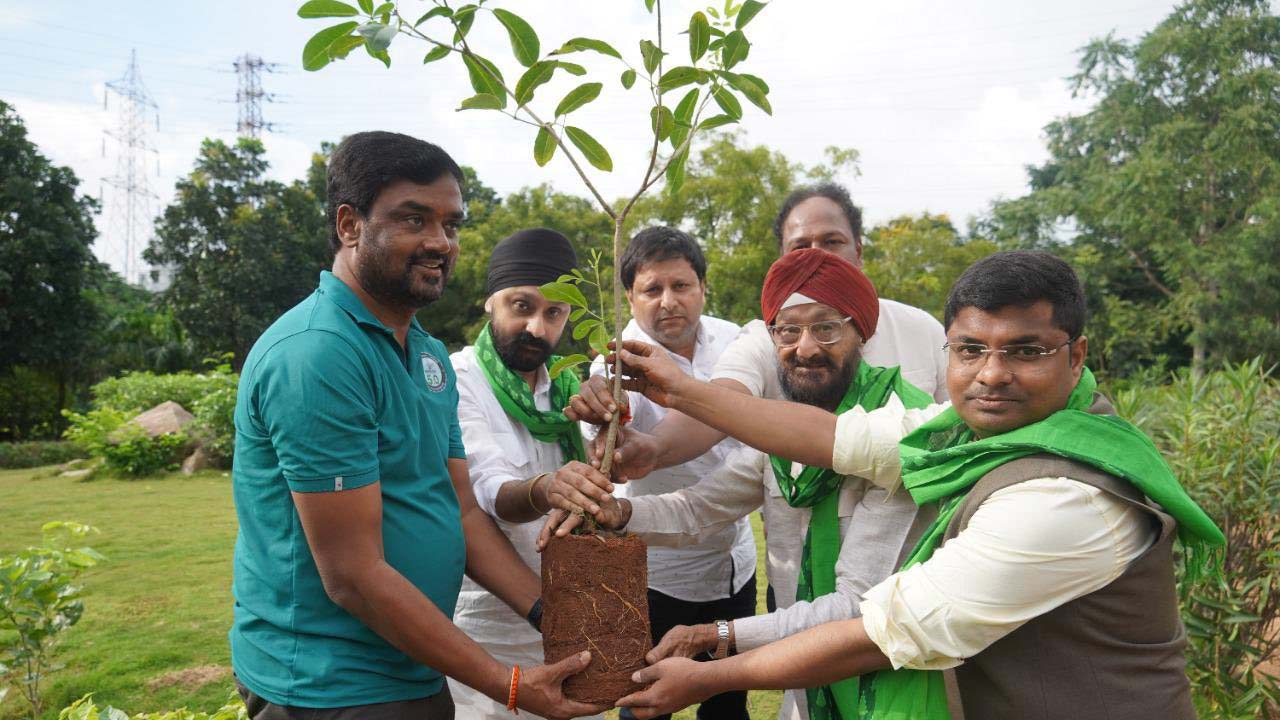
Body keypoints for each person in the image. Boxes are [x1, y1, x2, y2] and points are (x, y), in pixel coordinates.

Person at [593, 251, 1224, 720]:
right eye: (970, 350)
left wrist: (715, 663)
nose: (992, 374)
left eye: (1025, 351)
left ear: (1076, 357)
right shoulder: (953, 433)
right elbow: (827, 442)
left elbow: (881, 626)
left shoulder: (1065, 496)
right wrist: (666, 414)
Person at [229, 132, 603, 720]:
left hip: (413, 665)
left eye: (450, 225)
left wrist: (548, 613)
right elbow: (353, 575)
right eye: (414, 219)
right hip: (330, 685)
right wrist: (508, 684)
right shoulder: (318, 354)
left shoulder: (425, 354)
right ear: (349, 225)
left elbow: (461, 511)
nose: (439, 242)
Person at [550, 248, 935, 720]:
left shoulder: (900, 430)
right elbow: (701, 508)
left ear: (862, 332)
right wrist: (620, 512)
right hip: (806, 681)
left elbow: (857, 608)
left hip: (890, 685)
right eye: (788, 331)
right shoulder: (785, 427)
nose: (805, 348)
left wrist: (718, 635)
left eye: (826, 328)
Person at [584, 183, 947, 513]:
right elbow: (722, 400)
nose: (817, 257)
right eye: (800, 248)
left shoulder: (921, 330)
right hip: (790, 562)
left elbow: (957, 435)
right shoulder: (763, 338)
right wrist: (655, 447)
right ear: (783, 258)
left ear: (859, 251)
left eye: (832, 242)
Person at [581, 227, 757, 720]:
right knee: (645, 703)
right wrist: (607, 434)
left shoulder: (736, 342)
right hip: (657, 574)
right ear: (630, 298)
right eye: (651, 289)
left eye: (681, 286)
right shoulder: (615, 365)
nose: (668, 302)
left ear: (702, 287)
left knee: (728, 703)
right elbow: (606, 437)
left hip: (735, 563)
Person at [448, 228, 614, 719]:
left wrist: (612, 435)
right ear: (490, 302)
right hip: (488, 636)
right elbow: (488, 491)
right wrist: (547, 488)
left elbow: (610, 483)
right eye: (521, 307)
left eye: (554, 313)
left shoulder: (569, 386)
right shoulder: (457, 381)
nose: (537, 329)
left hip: (574, 622)